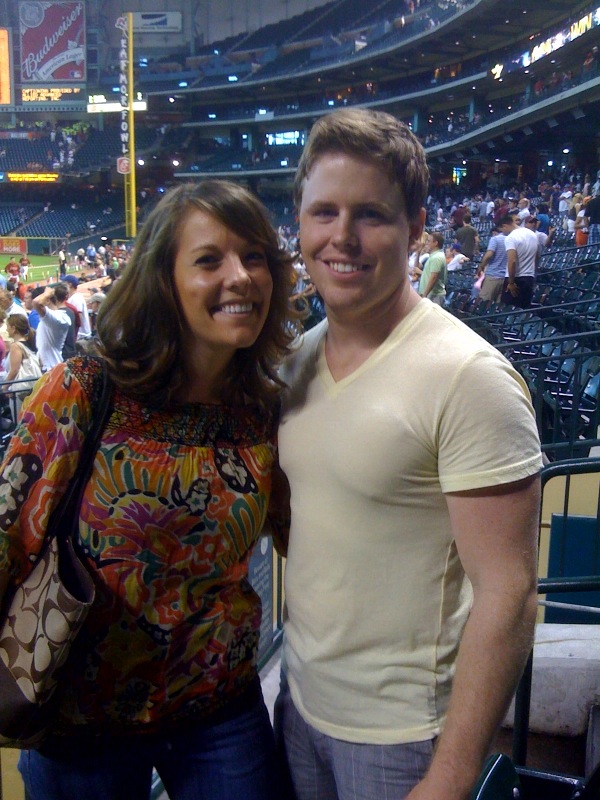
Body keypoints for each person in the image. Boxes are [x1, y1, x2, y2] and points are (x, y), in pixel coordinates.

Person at [274, 108, 542, 800]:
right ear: (299, 224)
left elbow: (509, 596)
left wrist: (451, 775)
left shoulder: (469, 377)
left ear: (415, 226)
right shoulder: (296, 360)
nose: (342, 237)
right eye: (324, 212)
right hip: (298, 708)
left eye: (370, 215)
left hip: (405, 740)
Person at [0, 179, 295, 800]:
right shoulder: (83, 389)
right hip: (81, 720)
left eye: (255, 257)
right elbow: (7, 535)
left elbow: (301, 535)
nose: (240, 277)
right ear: (164, 280)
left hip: (220, 711)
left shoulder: (261, 410)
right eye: (209, 260)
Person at [499, 213, 539, 308]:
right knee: (525, 309)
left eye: (502, 230)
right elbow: (537, 256)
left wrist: (511, 282)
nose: (503, 233)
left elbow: (512, 261)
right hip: (529, 277)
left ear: (504, 226)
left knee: (509, 310)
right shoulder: (532, 234)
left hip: (516, 279)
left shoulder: (511, 237)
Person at [32, 283, 72, 372]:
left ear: (48, 300)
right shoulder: (52, 318)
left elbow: (36, 302)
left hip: (52, 368)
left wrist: (47, 294)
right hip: (48, 367)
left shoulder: (59, 317)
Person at [419, 231, 447, 304]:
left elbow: (434, 277)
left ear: (435, 243)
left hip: (433, 296)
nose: (426, 243)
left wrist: (425, 295)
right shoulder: (435, 255)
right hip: (430, 295)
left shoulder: (437, 257)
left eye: (428, 241)